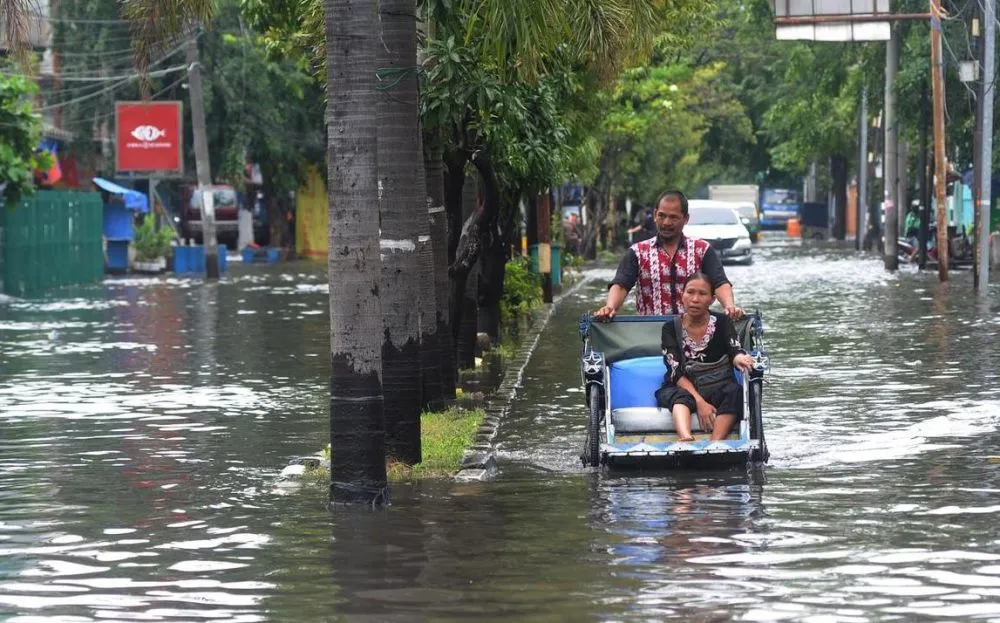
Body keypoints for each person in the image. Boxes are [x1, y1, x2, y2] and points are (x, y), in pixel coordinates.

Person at [595, 190, 743, 320]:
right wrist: (610, 307)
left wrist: (730, 307)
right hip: (649, 335)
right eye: (662, 216)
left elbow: (720, 282)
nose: (666, 222)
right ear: (654, 215)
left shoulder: (702, 250)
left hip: (694, 334)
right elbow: (621, 284)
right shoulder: (637, 252)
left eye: (673, 217)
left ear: (686, 219)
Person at [655, 273, 755, 441]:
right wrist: (700, 403)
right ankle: (685, 439)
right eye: (690, 292)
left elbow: (734, 348)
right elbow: (675, 371)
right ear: (683, 295)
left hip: (718, 387)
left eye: (702, 294)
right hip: (684, 387)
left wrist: (739, 358)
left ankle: (715, 443)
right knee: (679, 397)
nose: (695, 299)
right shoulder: (670, 328)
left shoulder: (723, 322)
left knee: (735, 392)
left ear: (712, 299)